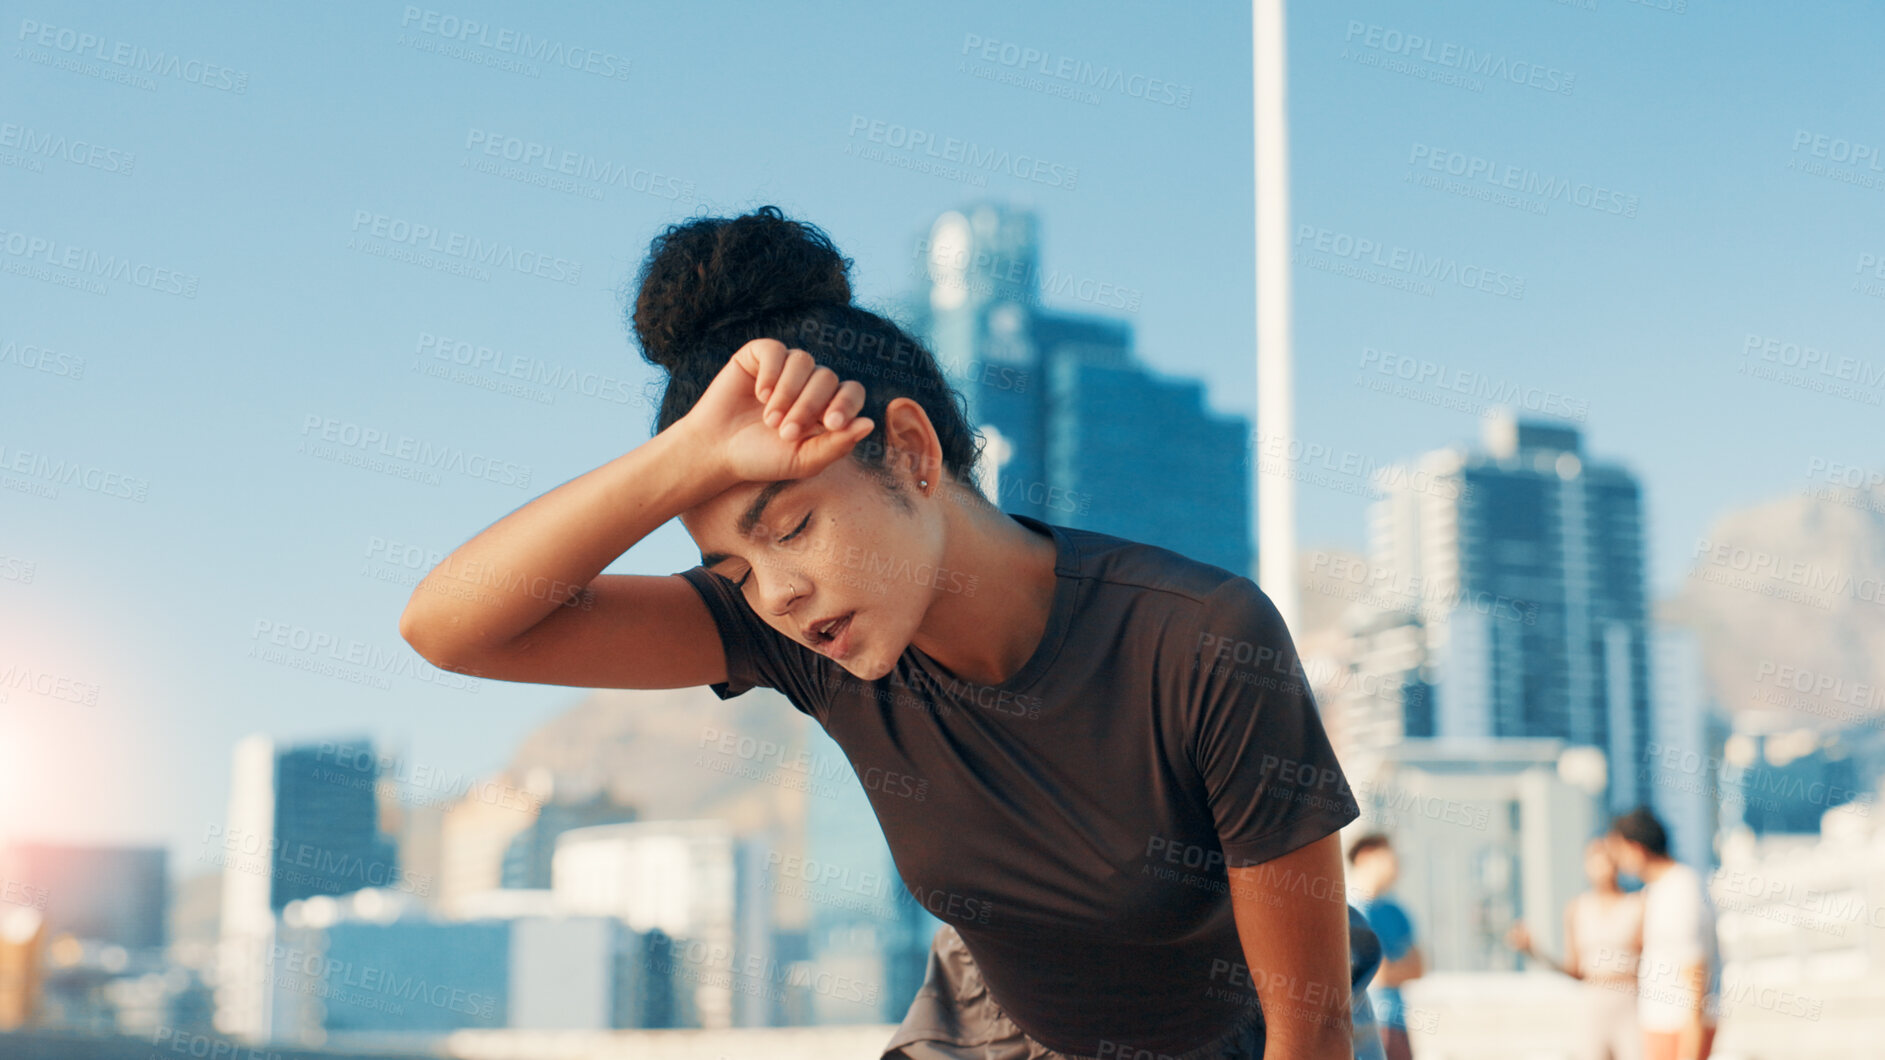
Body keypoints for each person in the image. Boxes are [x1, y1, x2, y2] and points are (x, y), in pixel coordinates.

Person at [400, 205, 1385, 1058]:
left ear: (911, 450)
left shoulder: (1200, 641)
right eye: (733, 569)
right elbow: (451, 628)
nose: (775, 592)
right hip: (989, 1026)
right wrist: (680, 458)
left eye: (790, 527)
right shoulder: (795, 636)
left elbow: (1310, 1030)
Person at [1505, 838, 1645, 1060]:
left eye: (1606, 860)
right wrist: (1533, 951)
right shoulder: (1577, 909)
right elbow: (1574, 970)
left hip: (1629, 1001)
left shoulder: (1637, 905)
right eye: (1594, 861)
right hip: (1592, 1001)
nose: (1600, 868)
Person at [1604, 808, 1719, 1060]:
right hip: (1662, 1027)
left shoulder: (1679, 890)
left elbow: (1695, 975)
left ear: (1636, 848)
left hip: (1678, 1029)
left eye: (1619, 851)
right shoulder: (1659, 891)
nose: (1617, 862)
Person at [1346, 835, 1422, 1060]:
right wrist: (1393, 970)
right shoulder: (1345, 909)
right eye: (1389, 855)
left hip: (1396, 1022)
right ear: (1365, 856)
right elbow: (1380, 974)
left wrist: (1386, 971)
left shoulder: (1396, 911)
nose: (1396, 862)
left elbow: (1419, 968)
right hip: (1361, 1025)